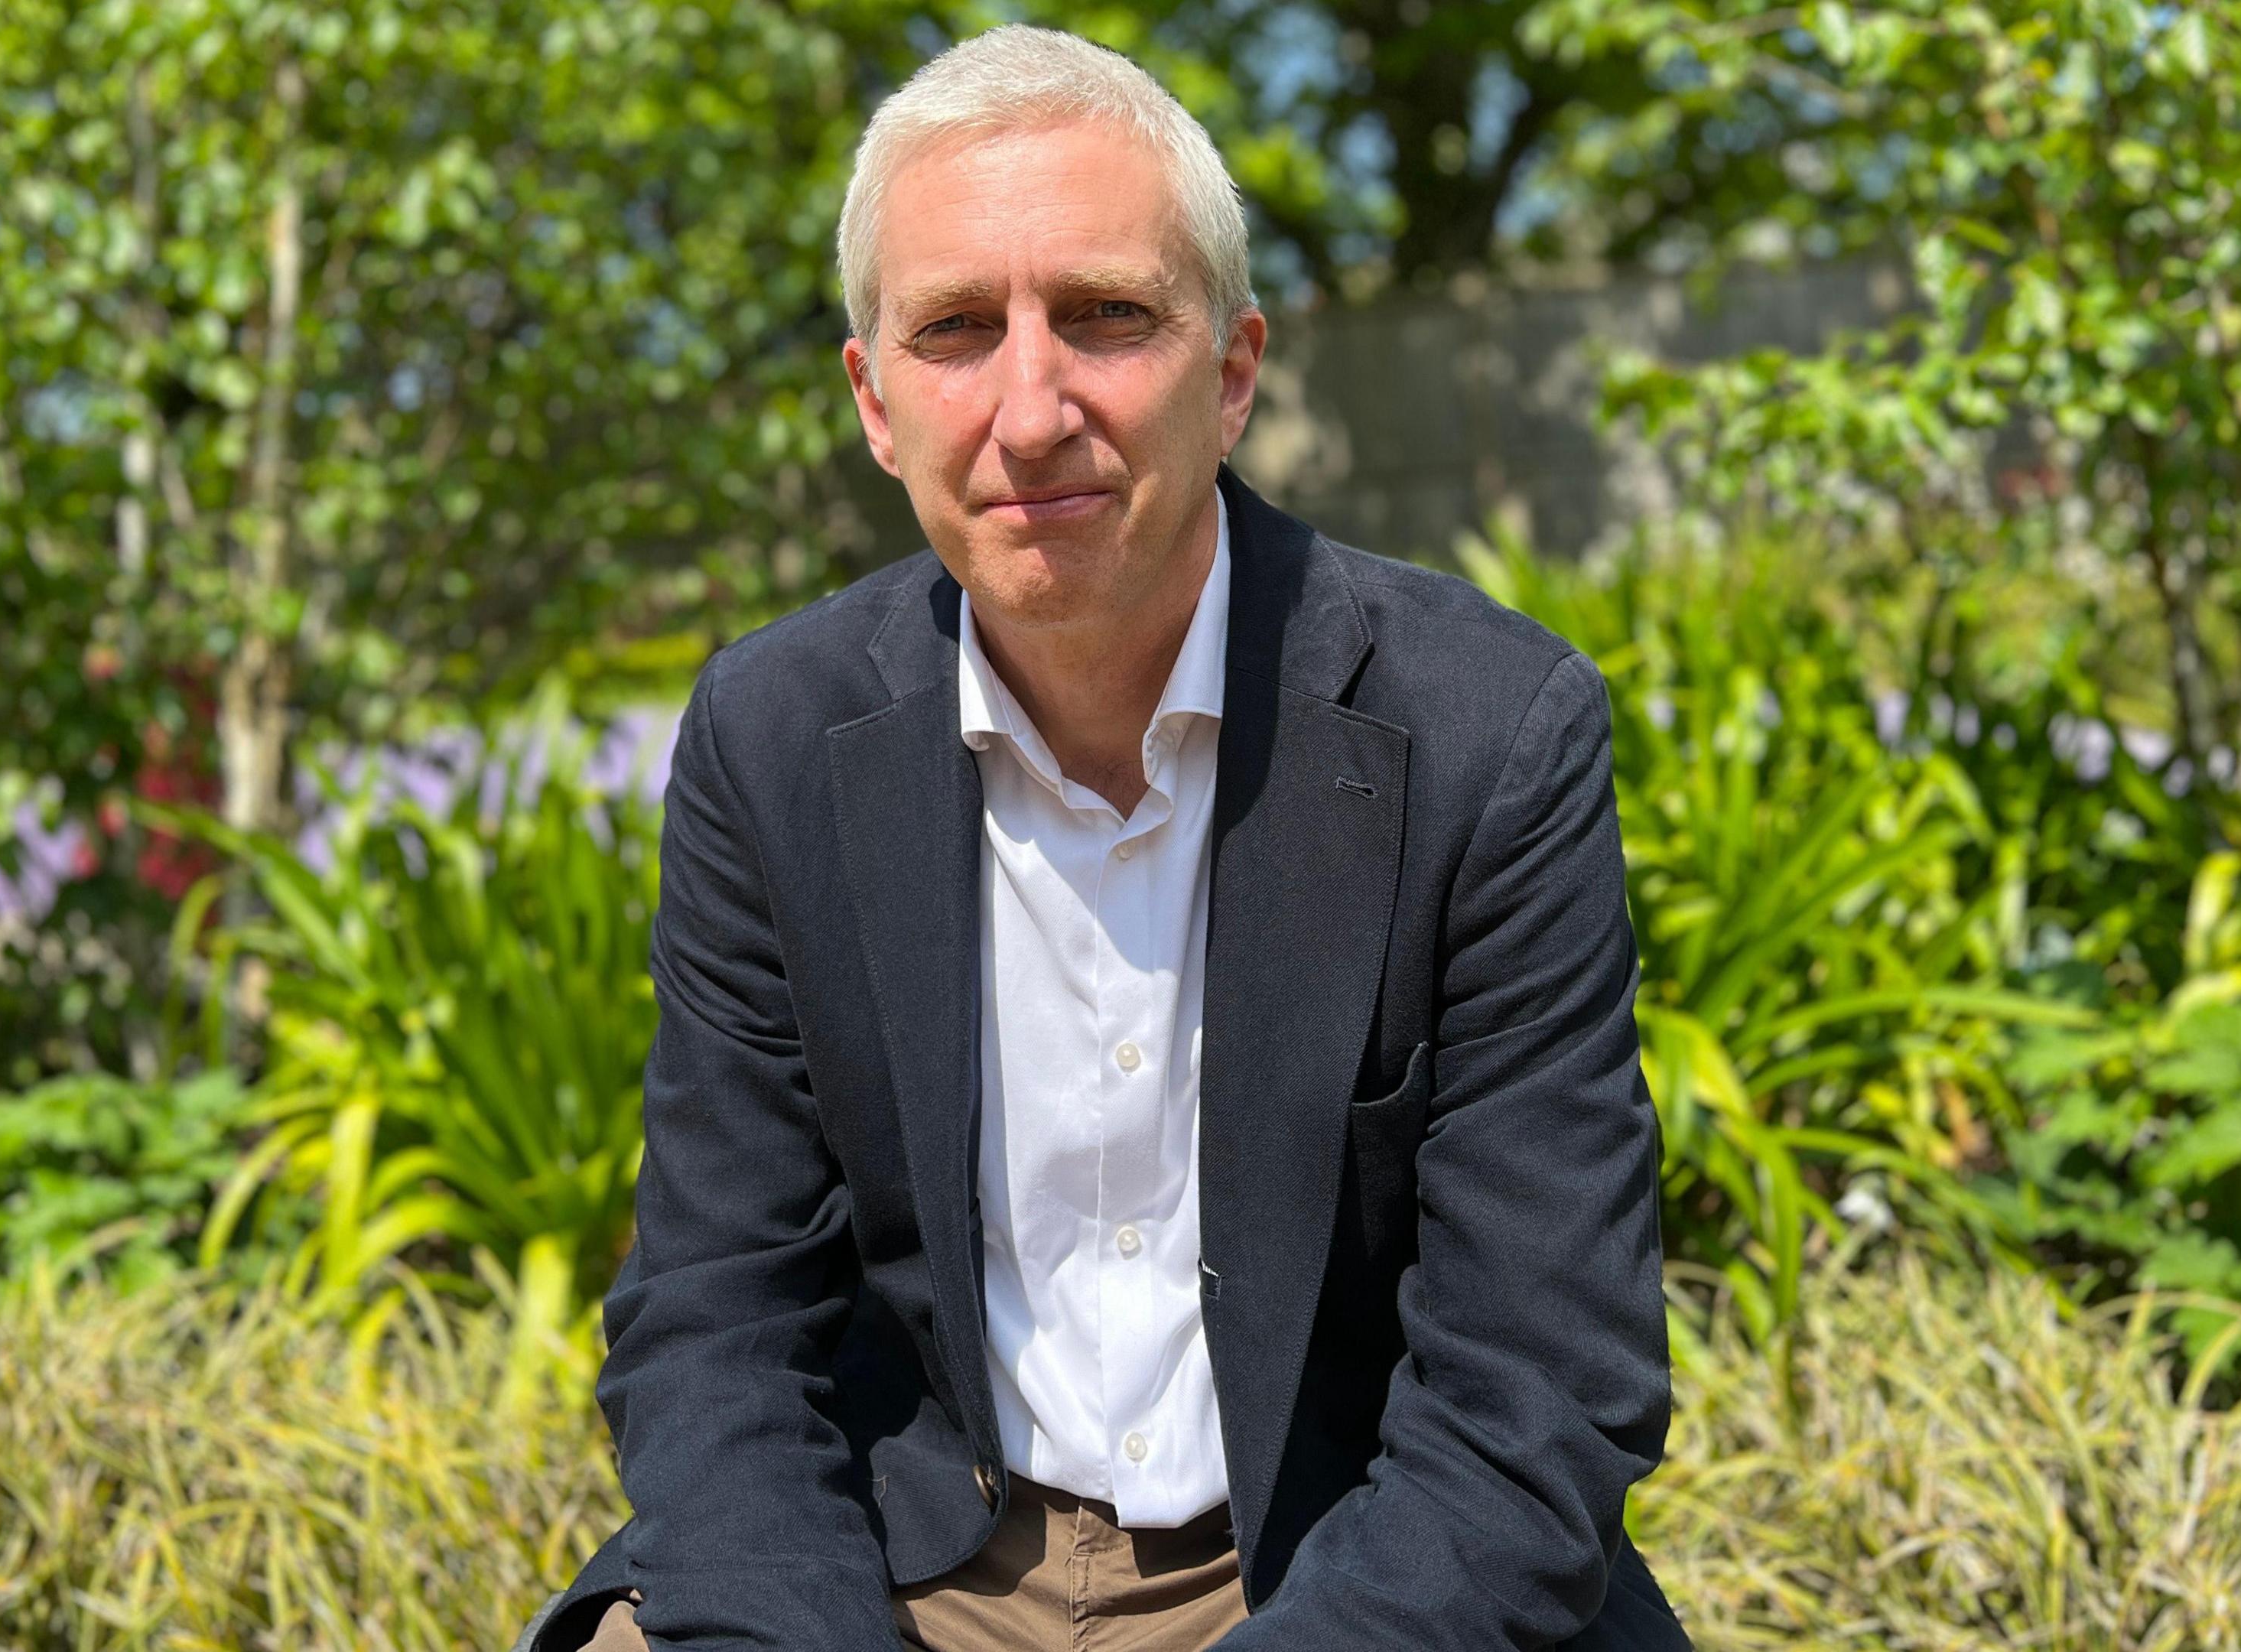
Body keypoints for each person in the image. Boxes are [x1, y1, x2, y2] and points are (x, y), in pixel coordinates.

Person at [515, 24, 1689, 1652]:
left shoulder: (1489, 736)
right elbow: (717, 1326)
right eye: (953, 331)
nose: (1031, 404)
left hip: (1334, 1564)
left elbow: (1541, 1386)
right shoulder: (772, 741)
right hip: (920, 1559)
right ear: (873, 402)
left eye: (1106, 316)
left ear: (1232, 370)